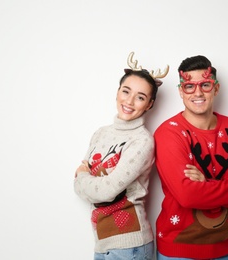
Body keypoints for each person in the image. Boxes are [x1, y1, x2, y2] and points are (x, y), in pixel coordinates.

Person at [154, 55, 228, 260]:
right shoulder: (169, 133)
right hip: (177, 252)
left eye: (205, 85)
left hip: (224, 251)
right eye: (189, 86)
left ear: (216, 88)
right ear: (181, 91)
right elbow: (187, 196)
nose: (198, 93)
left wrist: (205, 185)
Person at [74, 52, 169, 260]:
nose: (130, 101)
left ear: (150, 104)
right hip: (101, 241)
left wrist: (83, 176)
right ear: (117, 92)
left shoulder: (142, 141)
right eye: (126, 91)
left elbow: (107, 190)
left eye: (141, 97)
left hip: (130, 247)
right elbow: (78, 188)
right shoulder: (101, 133)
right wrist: (85, 182)